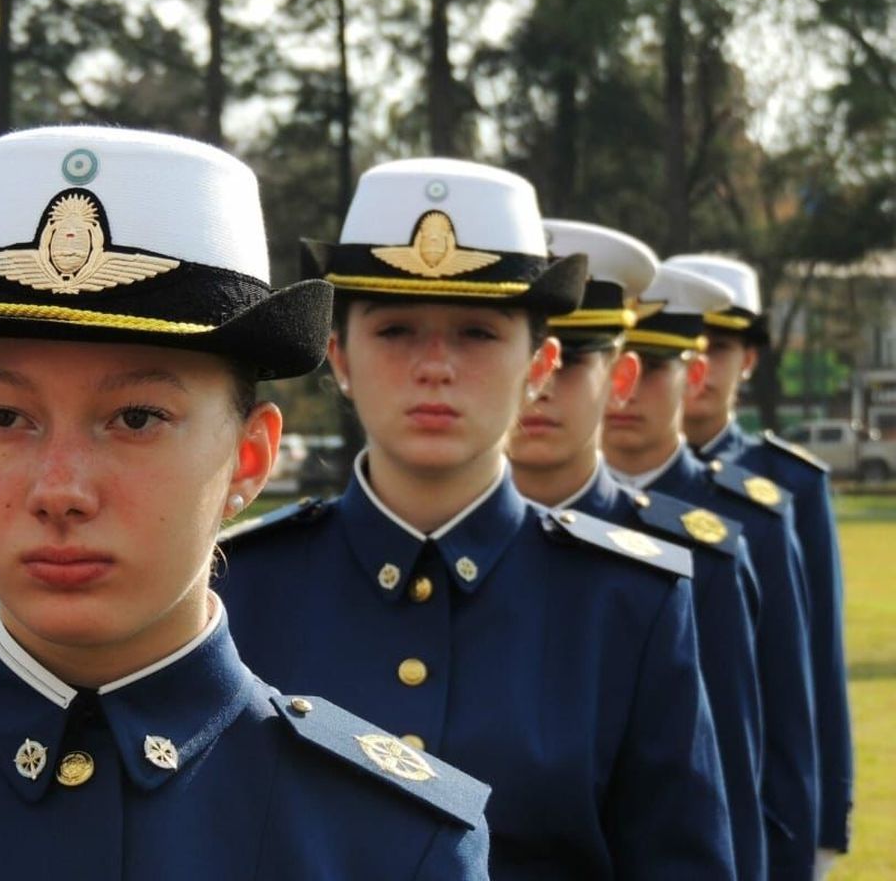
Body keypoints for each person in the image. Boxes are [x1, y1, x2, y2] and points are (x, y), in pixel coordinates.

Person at [0, 126, 491, 880]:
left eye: (136, 419)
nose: (60, 491)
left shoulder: (390, 845)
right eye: (4, 417)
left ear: (249, 457)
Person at [219, 158, 734, 878]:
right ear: (340, 358)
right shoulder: (239, 584)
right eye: (396, 330)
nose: (435, 366)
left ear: (540, 366)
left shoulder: (626, 601)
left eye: (477, 334)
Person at [507, 219, 765, 880]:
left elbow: (723, 792)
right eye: (533, 358)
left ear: (615, 377)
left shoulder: (687, 559)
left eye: (575, 360)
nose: (543, 386)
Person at [601, 259, 819, 881]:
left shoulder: (739, 531)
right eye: (615, 365)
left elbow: (782, 702)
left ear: (690, 375)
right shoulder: (549, 521)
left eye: (653, 368)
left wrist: (809, 831)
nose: (628, 390)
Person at [673, 253, 852, 878]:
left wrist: (825, 815)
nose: (698, 364)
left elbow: (816, 660)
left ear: (748, 360)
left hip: (758, 789)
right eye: (685, 344)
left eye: (719, 347)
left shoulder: (788, 484)